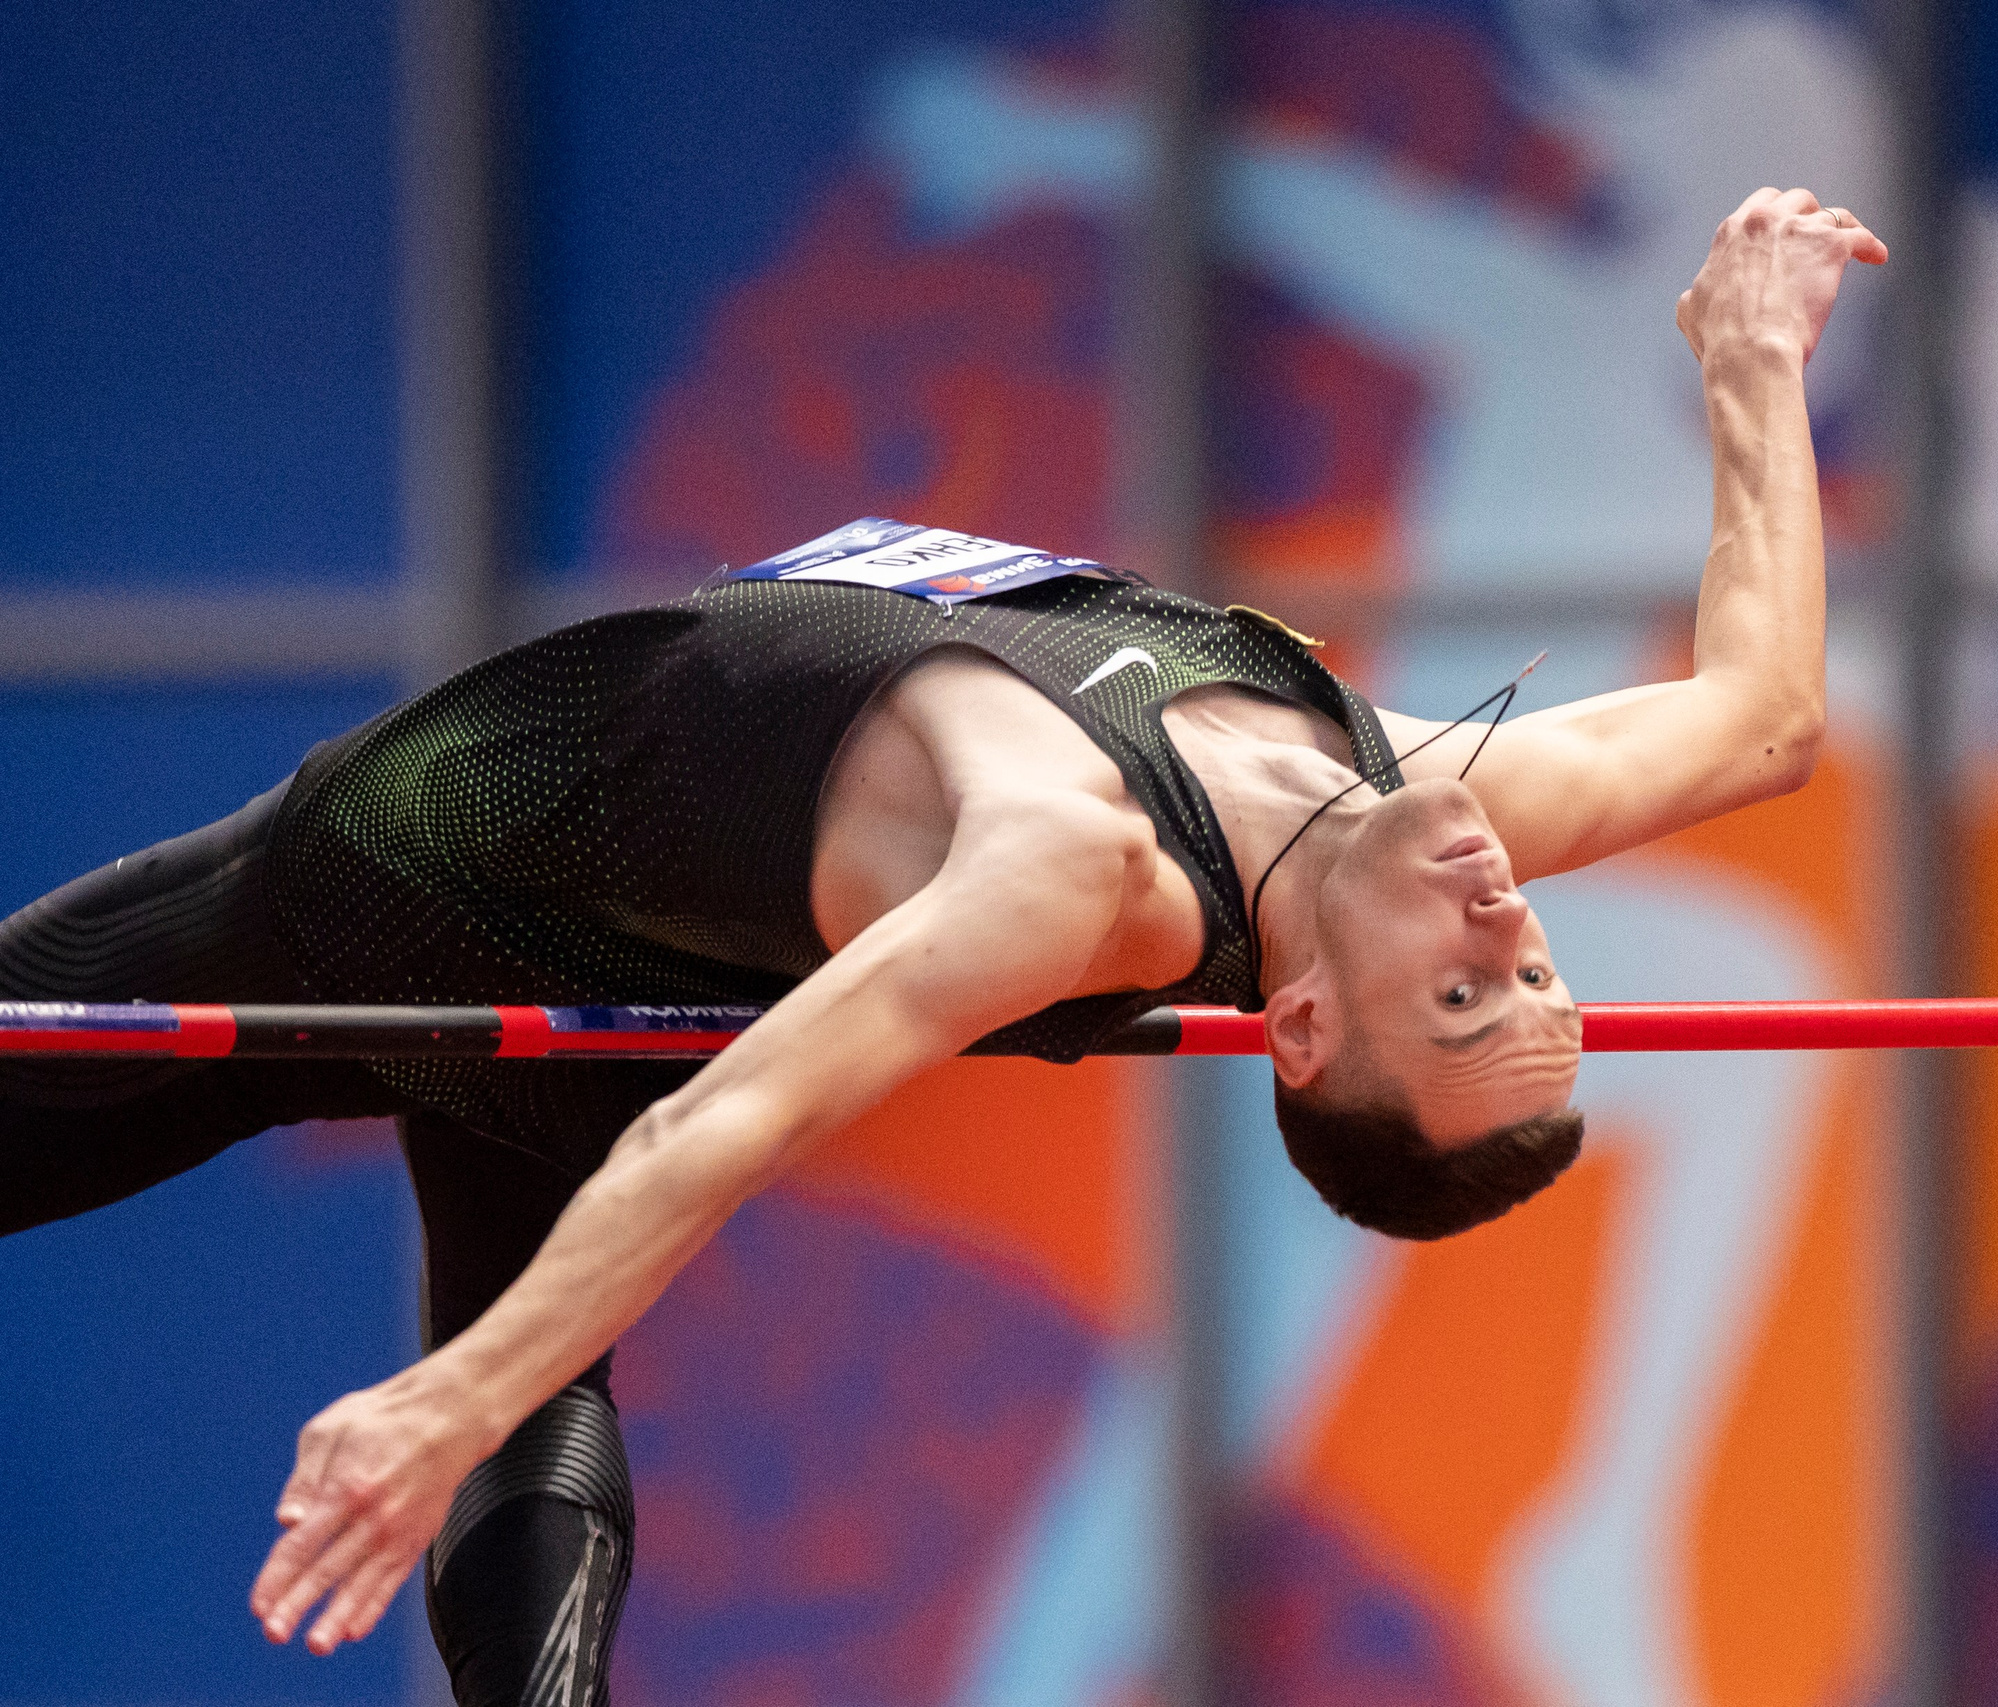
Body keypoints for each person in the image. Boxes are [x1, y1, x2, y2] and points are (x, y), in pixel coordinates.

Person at [0, 188, 1881, 1701]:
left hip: (376, 896)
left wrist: (445, 1404)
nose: (1508, 923)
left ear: (1302, 1025)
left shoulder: (1081, 873)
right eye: (1538, 974)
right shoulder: (1410, 784)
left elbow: (728, 1131)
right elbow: (1760, 720)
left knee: (510, 1365)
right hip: (589, 971)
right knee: (523, 1329)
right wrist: (1749, 361)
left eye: (1464, 996)